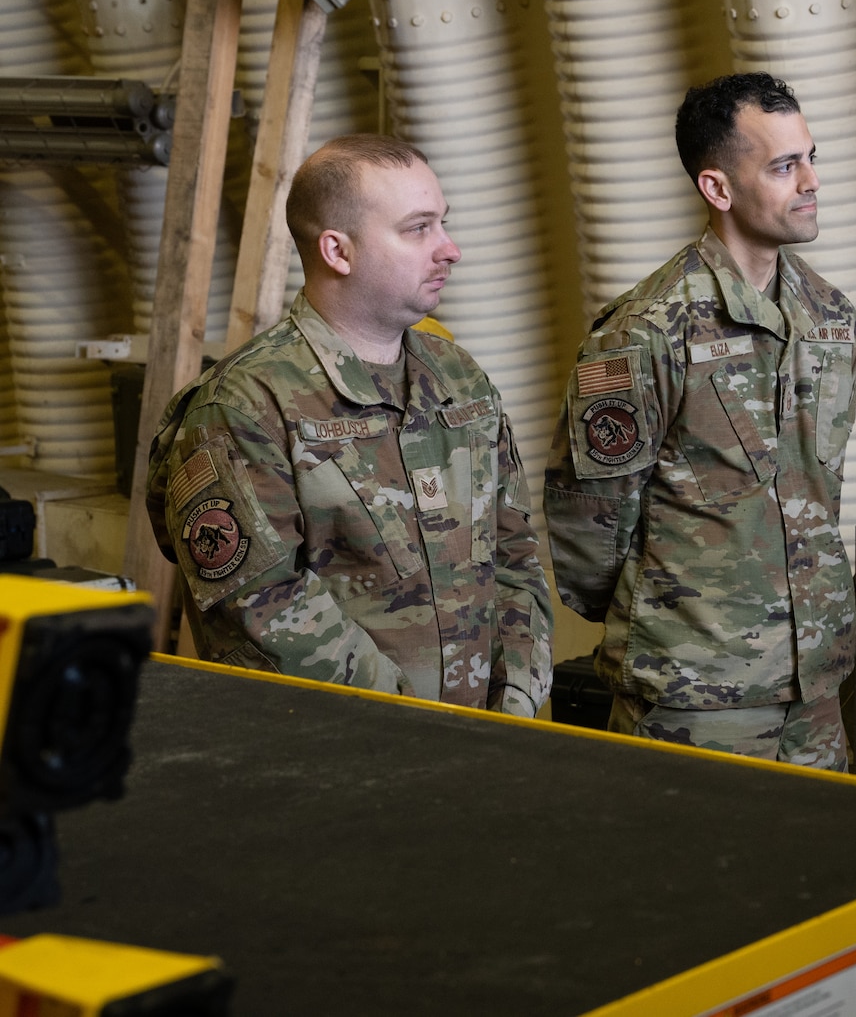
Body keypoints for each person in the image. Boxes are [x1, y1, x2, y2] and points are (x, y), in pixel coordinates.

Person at [144, 136, 552, 716]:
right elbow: (262, 610)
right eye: (418, 228)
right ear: (338, 251)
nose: (450, 249)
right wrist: (415, 724)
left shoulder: (460, 379)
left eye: (444, 224)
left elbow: (515, 553)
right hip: (339, 751)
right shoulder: (244, 406)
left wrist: (516, 701)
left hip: (481, 743)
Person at [543, 72, 856, 769]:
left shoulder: (830, 318)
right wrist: (665, 617)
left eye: (812, 156)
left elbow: (816, 489)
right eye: (783, 165)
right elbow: (588, 523)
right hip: (695, 692)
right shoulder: (645, 331)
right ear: (717, 188)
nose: (810, 180)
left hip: (816, 682)